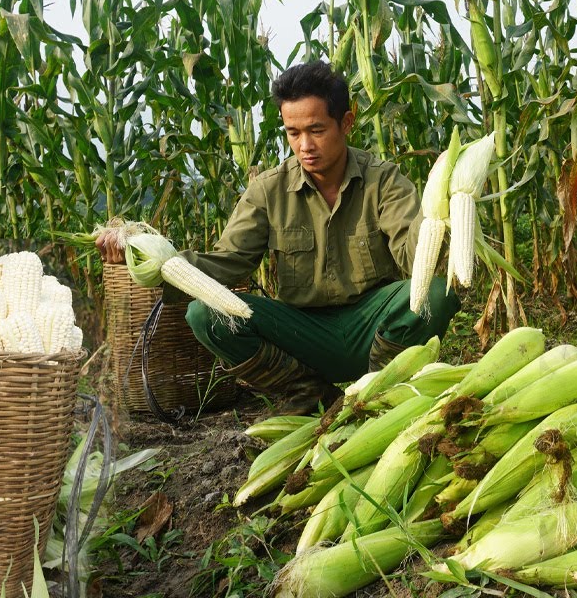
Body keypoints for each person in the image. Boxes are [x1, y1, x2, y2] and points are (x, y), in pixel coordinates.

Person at [97, 61, 461, 413]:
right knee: (205, 314)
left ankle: (378, 390)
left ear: (346, 122)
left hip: (372, 326)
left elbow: (416, 260)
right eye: (293, 133)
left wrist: (440, 212)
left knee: (436, 293)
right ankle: (307, 391)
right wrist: (150, 260)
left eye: (316, 130)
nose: (305, 145)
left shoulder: (383, 181)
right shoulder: (268, 190)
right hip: (301, 334)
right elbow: (228, 262)